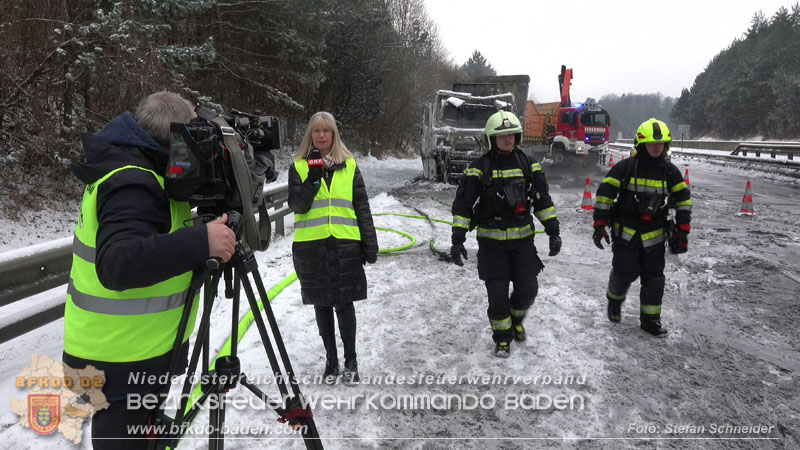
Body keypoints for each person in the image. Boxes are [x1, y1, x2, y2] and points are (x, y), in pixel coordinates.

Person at [62, 91, 237, 449]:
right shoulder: (132, 183)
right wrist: (200, 242)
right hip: (119, 360)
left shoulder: (141, 173)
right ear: (176, 141)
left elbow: (152, 241)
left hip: (124, 353)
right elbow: (118, 263)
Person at [449, 110, 561, 358]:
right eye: (502, 135)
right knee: (497, 296)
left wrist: (553, 231)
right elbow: (463, 206)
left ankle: (516, 319)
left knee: (528, 289)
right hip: (491, 246)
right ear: (492, 138)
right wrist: (457, 240)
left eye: (511, 134)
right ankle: (502, 338)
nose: (507, 139)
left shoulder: (529, 164)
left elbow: (542, 201)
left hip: (523, 244)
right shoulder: (478, 169)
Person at [288, 111, 378, 384]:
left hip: (344, 245)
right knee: (322, 304)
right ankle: (331, 360)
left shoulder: (349, 165)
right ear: (310, 135)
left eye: (326, 130)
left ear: (334, 134)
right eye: (317, 131)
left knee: (344, 303)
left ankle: (351, 360)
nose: (322, 135)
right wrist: (312, 179)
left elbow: (362, 207)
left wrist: (370, 243)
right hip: (312, 248)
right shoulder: (299, 166)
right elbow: (297, 205)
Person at [593, 118, 692, 337]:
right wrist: (599, 225)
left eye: (660, 144)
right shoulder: (625, 168)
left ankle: (650, 320)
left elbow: (683, 201)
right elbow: (605, 196)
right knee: (624, 273)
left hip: (654, 237)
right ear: (641, 144)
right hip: (625, 235)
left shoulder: (670, 172)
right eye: (652, 143)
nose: (656, 147)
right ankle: (614, 301)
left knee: (654, 279)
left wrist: (682, 230)